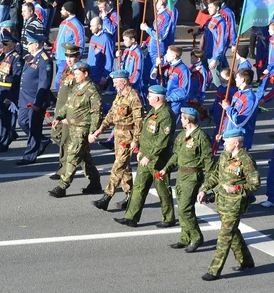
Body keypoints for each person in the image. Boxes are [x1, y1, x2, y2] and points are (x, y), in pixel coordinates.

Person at [198, 128, 259, 281]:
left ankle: (214, 270)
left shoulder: (246, 160)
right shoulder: (225, 155)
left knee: (224, 236)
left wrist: (237, 188)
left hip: (235, 203)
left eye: (227, 141)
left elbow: (255, 183)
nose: (224, 143)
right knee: (233, 231)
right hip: (221, 201)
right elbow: (216, 174)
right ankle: (246, 261)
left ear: (236, 143)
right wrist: (205, 189)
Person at [114, 85, 176, 228]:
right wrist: (141, 150)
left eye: (150, 95)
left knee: (162, 189)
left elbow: (162, 141)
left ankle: (168, 218)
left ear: (157, 98)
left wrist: (148, 155)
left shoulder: (166, 115)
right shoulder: (154, 111)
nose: (147, 97)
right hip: (145, 158)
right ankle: (131, 217)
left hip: (158, 160)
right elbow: (147, 134)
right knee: (139, 187)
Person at [159, 107, 213, 253]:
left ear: (188, 120)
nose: (180, 120)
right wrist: (166, 168)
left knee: (185, 208)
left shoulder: (201, 138)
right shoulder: (182, 135)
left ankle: (196, 237)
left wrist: (207, 187)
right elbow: (176, 155)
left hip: (193, 176)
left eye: (182, 118)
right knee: (181, 208)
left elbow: (209, 163)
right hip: (181, 175)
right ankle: (185, 237)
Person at [91, 70, 143, 210]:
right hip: (118, 134)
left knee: (118, 166)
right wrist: (100, 130)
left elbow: (139, 121)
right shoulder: (120, 95)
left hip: (128, 134)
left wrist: (135, 140)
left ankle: (107, 196)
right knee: (125, 167)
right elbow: (111, 114)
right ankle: (130, 195)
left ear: (124, 82)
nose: (114, 86)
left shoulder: (133, 96)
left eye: (116, 82)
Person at [49, 62, 102, 197]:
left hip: (82, 129)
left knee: (72, 156)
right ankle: (95, 183)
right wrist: (59, 116)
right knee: (85, 158)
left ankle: (62, 187)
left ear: (86, 74)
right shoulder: (78, 87)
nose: (75, 76)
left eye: (78, 74)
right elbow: (68, 104)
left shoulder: (92, 91)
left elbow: (96, 113)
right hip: (72, 127)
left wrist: (93, 132)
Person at [17, 33, 53, 166]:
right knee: (22, 122)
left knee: (34, 126)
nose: (27, 45)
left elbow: (44, 83)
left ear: (37, 44)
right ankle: (42, 141)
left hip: (35, 99)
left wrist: (38, 102)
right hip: (25, 98)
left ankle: (30, 155)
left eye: (30, 43)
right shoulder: (32, 56)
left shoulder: (44, 59)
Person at [0, 32, 23, 153]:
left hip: (6, 90)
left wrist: (11, 97)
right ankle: (8, 133)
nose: (2, 46)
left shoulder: (16, 58)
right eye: (2, 43)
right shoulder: (3, 55)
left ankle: (3, 142)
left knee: (4, 117)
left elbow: (17, 79)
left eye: (6, 44)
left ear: (12, 46)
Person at [220, 68, 257, 151]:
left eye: (237, 77)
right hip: (229, 137)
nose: (235, 79)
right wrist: (223, 132)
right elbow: (228, 118)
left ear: (243, 80)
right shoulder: (237, 94)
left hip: (238, 141)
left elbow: (240, 121)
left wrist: (228, 108)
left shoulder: (250, 99)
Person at [54, 2, 85, 91]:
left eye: (62, 9)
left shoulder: (77, 25)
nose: (61, 11)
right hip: (59, 57)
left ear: (68, 11)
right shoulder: (63, 23)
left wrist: (78, 57)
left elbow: (80, 43)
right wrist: (54, 49)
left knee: (59, 81)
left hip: (67, 59)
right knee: (61, 81)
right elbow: (58, 38)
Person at [87, 17, 114, 90]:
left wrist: (105, 75)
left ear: (99, 26)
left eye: (92, 26)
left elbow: (109, 59)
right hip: (90, 72)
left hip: (99, 75)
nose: (90, 28)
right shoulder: (92, 38)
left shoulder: (106, 40)